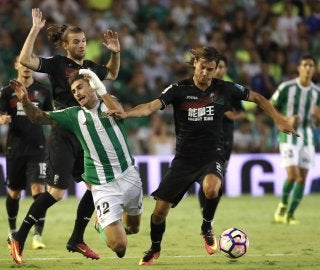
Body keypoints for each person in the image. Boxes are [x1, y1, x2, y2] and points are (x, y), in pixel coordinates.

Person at [108, 46, 298, 265]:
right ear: (194, 65)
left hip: (212, 154)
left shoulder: (224, 89)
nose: (206, 73)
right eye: (202, 68)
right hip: (184, 160)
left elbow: (258, 98)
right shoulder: (179, 89)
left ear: (217, 69)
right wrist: (128, 113)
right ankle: (155, 247)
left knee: (211, 188)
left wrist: (278, 119)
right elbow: (151, 106)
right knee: (159, 212)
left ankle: (206, 225)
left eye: (211, 69)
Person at [8, 69, 143, 264]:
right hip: (103, 185)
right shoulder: (73, 115)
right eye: (73, 91)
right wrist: (26, 102)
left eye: (80, 87)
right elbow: (39, 117)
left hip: (129, 176)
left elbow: (120, 113)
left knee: (134, 228)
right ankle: (98, 224)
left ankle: (93, 227)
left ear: (92, 87)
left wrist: (101, 85)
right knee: (120, 248)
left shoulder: (108, 102)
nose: (77, 93)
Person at [17, 8, 120, 260]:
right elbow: (25, 60)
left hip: (85, 135)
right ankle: (18, 237)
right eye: (76, 41)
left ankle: (76, 239)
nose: (82, 45)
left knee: (96, 187)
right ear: (65, 45)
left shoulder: (90, 68)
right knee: (56, 194)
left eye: (84, 40)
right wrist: (34, 30)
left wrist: (115, 53)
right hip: (63, 131)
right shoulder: (57, 64)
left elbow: (113, 73)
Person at [0, 56, 52, 249]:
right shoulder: (7, 90)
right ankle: (12, 230)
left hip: (38, 148)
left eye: (29, 64)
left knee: (38, 190)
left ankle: (37, 236)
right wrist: (0, 119)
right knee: (15, 192)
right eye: (22, 64)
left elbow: (51, 116)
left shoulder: (43, 92)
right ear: (16, 65)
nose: (26, 68)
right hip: (15, 148)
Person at [272, 54, 320, 225]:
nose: (308, 68)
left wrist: (318, 116)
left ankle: (290, 215)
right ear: (299, 68)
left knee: (303, 178)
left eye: (311, 65)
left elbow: (318, 120)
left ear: (314, 69)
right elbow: (270, 106)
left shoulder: (316, 92)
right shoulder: (287, 87)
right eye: (305, 64)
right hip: (288, 135)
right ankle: (282, 206)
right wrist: (286, 119)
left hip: (307, 137)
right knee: (292, 176)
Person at [197, 54, 246, 211]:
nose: (219, 70)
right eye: (217, 67)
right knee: (206, 177)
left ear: (226, 69)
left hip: (226, 137)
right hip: (207, 138)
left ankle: (208, 214)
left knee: (219, 177)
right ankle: (205, 213)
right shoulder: (203, 87)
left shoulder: (230, 89)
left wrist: (233, 116)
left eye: (222, 67)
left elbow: (243, 112)